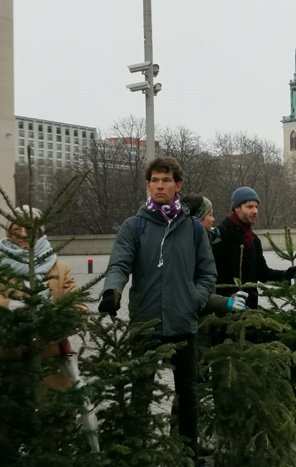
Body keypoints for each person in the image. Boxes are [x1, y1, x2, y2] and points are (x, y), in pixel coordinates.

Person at [98, 157, 217, 462]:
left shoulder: (192, 228)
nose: (160, 185)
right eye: (154, 180)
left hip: (184, 323)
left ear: (178, 186)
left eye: (166, 180)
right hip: (146, 323)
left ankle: (187, 453)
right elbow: (120, 263)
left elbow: (207, 273)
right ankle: (137, 451)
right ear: (147, 184)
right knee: (141, 393)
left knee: (188, 394)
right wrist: (112, 291)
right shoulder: (134, 226)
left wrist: (195, 298)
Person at [0, 206, 85, 391]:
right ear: (9, 233)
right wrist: (13, 307)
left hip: (52, 360)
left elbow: (78, 307)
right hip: (9, 362)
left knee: (55, 413)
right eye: (17, 229)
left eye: (29, 229)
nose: (23, 234)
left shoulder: (59, 268)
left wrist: (58, 323)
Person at [212, 187, 296, 310]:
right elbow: (213, 276)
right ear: (237, 208)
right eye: (249, 207)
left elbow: (262, 273)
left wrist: (285, 275)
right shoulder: (220, 235)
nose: (255, 211)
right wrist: (229, 297)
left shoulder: (253, 240)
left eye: (256, 207)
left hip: (251, 312)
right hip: (226, 312)